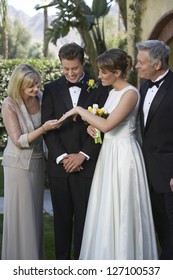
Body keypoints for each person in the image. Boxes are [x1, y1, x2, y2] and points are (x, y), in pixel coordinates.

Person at [57, 48, 158, 259]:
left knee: (123, 208)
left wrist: (79, 111)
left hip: (123, 156)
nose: (100, 76)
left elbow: (109, 124)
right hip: (108, 154)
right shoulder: (111, 93)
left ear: (117, 72)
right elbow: (102, 126)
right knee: (106, 208)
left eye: (103, 72)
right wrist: (90, 127)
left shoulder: (130, 93)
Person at [41, 42, 109, 260]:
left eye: (75, 69)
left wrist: (83, 155)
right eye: (65, 68)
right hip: (59, 168)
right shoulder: (50, 89)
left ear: (83, 63)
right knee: (61, 220)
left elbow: (104, 126)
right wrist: (62, 157)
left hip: (87, 164)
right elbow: (48, 129)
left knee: (84, 220)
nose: (70, 73)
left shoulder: (99, 87)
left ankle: (82, 266)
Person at [1, 63, 59, 260]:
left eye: (37, 84)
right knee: (21, 215)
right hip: (17, 165)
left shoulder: (41, 98)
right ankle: (18, 260)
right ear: (19, 86)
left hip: (37, 162)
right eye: (31, 86)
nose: (36, 89)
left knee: (34, 215)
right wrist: (44, 128)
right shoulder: (9, 104)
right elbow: (18, 140)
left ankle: (34, 260)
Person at [136, 40, 173, 260]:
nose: (137, 66)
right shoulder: (144, 86)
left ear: (157, 63)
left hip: (169, 174)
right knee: (160, 230)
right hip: (148, 173)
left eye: (141, 62)